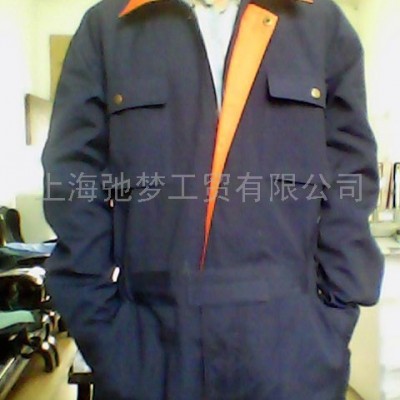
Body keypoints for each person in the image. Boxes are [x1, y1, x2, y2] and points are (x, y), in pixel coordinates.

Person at [42, 0, 384, 398]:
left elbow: (352, 176)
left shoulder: (321, 25)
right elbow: (72, 181)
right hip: (149, 349)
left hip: (294, 352)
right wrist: (102, 330)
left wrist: (335, 315)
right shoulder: (109, 27)